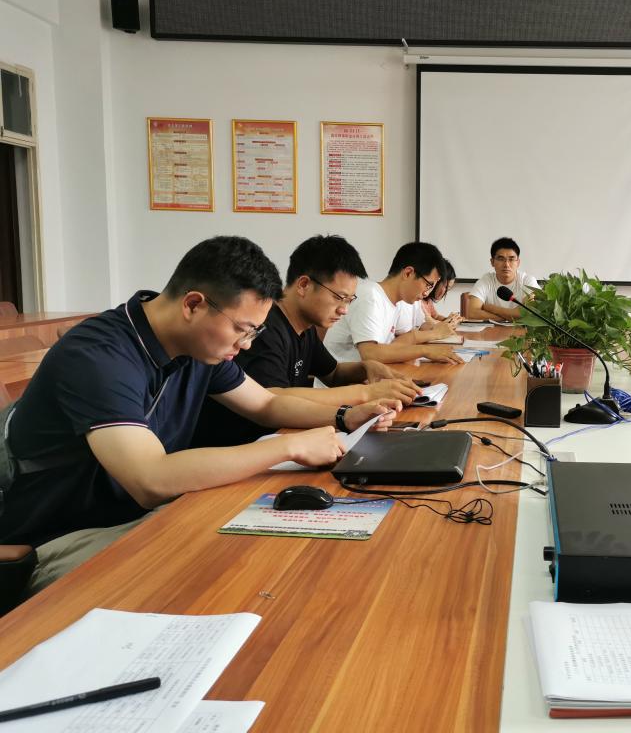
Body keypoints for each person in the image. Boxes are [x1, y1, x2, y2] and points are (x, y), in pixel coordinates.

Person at [0, 236, 398, 590]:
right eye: (243, 329)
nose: (247, 345)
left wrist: (345, 417)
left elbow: (265, 404)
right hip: (64, 537)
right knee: (235, 573)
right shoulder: (99, 356)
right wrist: (289, 447)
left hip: (147, 515)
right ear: (193, 304)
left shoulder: (197, 349)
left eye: (255, 333)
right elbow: (150, 479)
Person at [192, 235, 420, 448]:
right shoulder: (264, 328)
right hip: (244, 445)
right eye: (339, 297)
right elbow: (273, 396)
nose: (344, 309)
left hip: (280, 438)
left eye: (350, 300)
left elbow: (330, 374)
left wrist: (365, 369)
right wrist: (365, 394)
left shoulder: (306, 328)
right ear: (303, 285)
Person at [324, 241, 462, 364]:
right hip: (344, 382)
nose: (427, 293)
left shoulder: (396, 303)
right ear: (408, 273)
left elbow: (393, 346)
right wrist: (425, 350)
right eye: (428, 285)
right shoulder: (370, 295)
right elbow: (370, 354)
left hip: (369, 378)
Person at [464, 237, 539, 321]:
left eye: (511, 259)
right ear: (492, 262)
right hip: (492, 329)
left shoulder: (528, 281)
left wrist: (492, 308)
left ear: (518, 262)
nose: (506, 264)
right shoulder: (486, 280)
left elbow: (528, 312)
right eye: (501, 259)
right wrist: (509, 317)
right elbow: (472, 313)